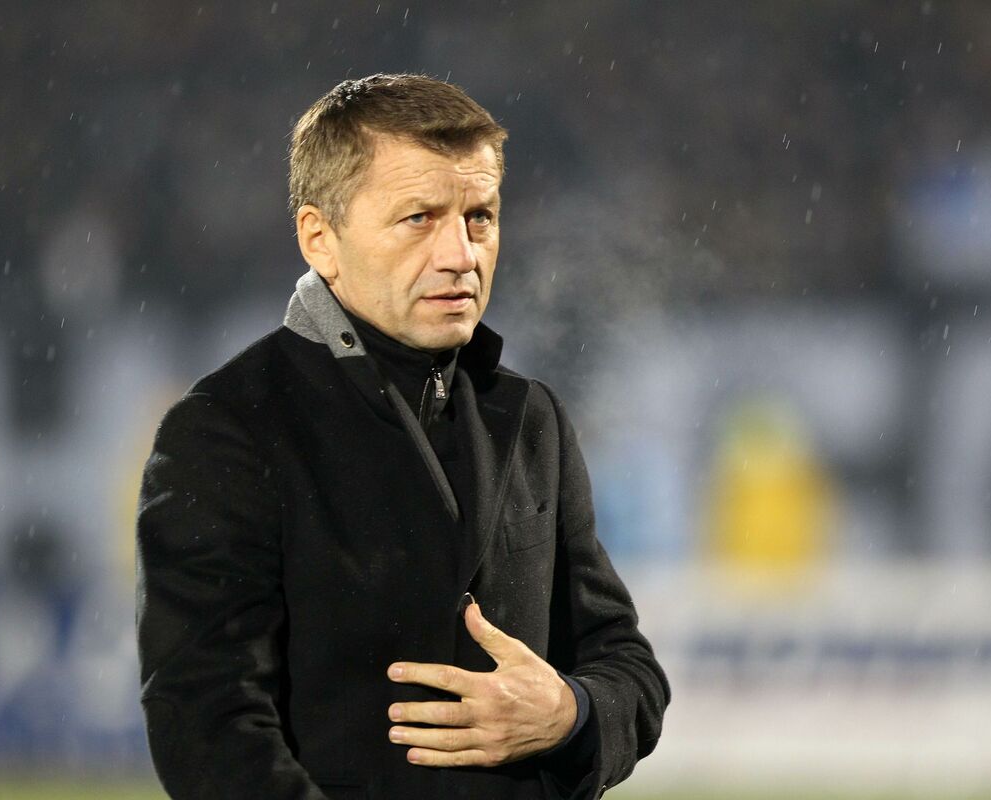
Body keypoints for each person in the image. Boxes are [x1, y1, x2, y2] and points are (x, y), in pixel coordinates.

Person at [135, 73, 669, 800]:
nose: (462, 254)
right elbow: (208, 723)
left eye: (480, 217)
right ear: (320, 239)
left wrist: (570, 713)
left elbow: (628, 669)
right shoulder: (228, 430)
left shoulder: (530, 420)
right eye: (420, 218)